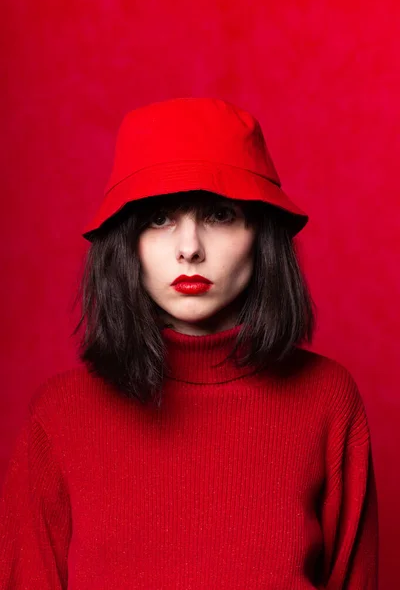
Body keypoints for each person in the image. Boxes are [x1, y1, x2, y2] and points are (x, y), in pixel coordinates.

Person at [0, 98, 378, 589]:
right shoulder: (60, 416)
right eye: (159, 219)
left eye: (219, 214)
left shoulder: (327, 400)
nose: (189, 247)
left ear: (261, 234)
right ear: (125, 243)